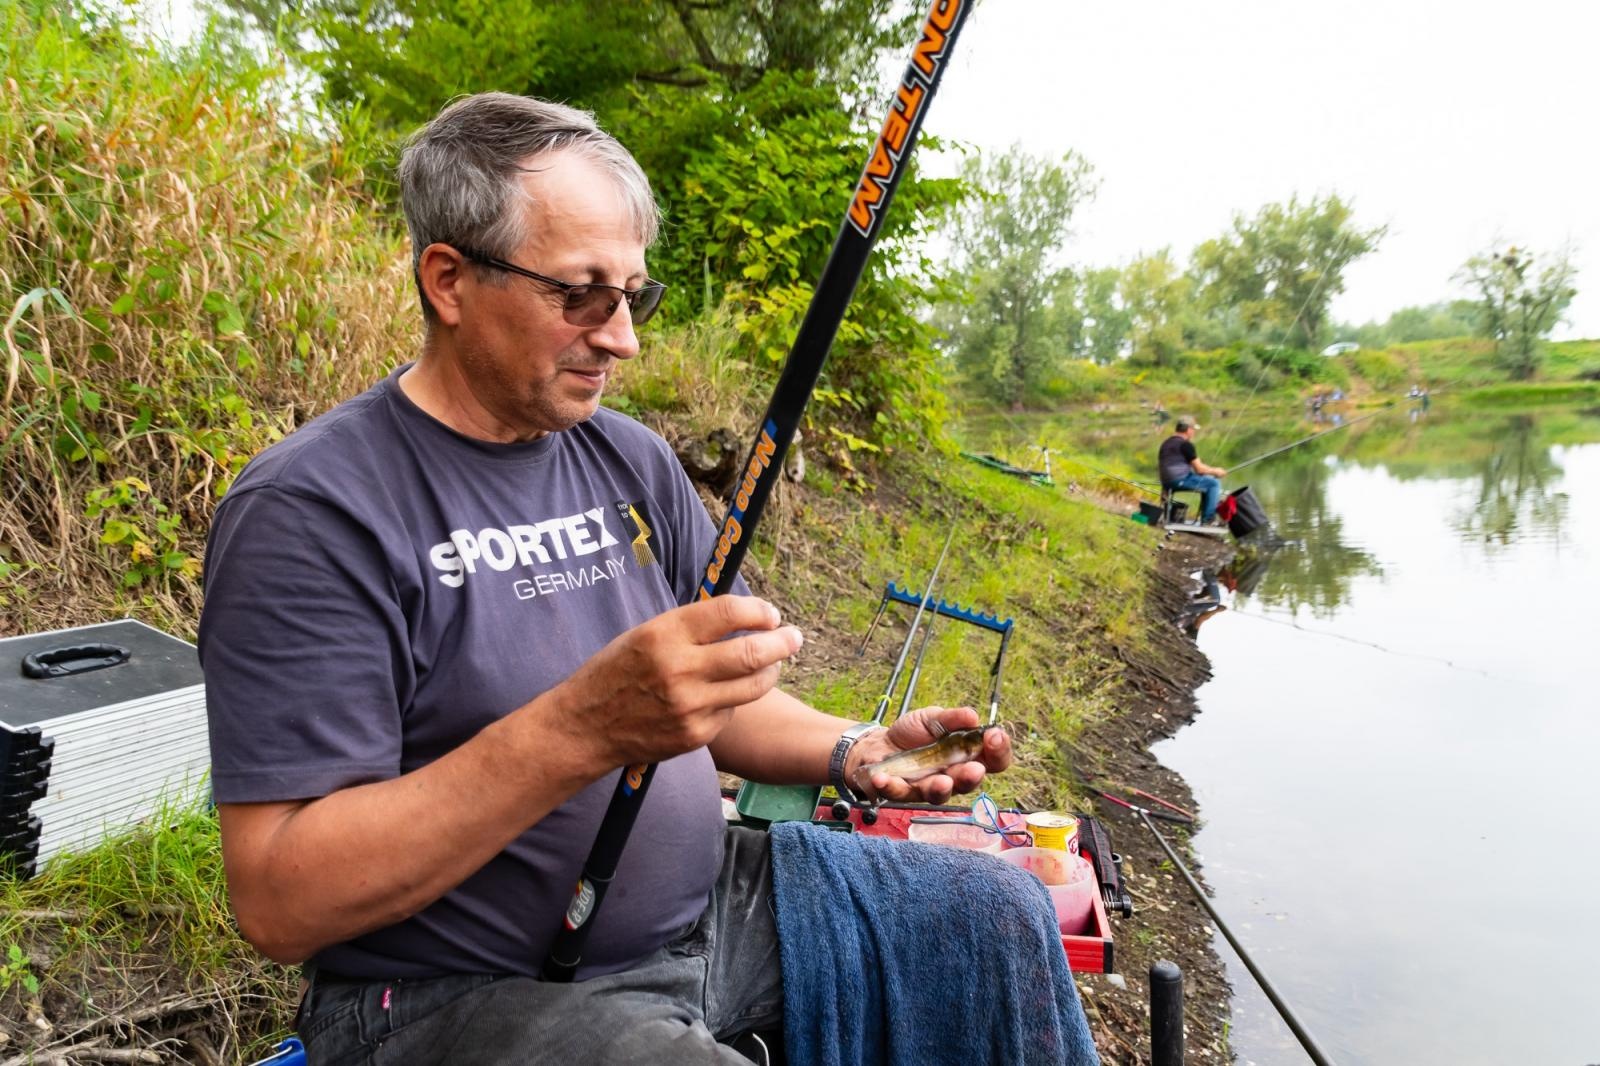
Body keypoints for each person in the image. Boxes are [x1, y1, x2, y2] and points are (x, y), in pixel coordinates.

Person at [198, 94, 1050, 1065]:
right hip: (453, 990)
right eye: (581, 294)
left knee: (996, 912)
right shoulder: (315, 511)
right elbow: (280, 897)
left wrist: (852, 750)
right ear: (448, 279)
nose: (623, 337)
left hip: (708, 914)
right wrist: (580, 727)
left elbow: (702, 703)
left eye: (633, 295)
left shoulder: (630, 461)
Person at [1157, 416, 1227, 524]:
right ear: (1188, 429)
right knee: (1213, 483)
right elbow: (1199, 469)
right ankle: (1208, 519)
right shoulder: (1185, 445)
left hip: (1166, 483)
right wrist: (1216, 471)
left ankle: (1206, 518)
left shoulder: (1166, 443)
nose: (1194, 432)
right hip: (1179, 480)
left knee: (1207, 481)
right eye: (1193, 429)